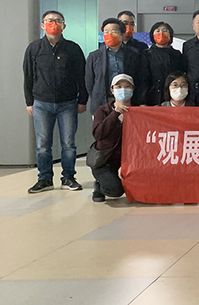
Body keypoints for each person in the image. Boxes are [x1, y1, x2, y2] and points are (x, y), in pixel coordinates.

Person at [23, 10, 87, 193]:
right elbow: (28, 76)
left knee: (69, 144)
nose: (53, 23)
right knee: (42, 145)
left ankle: (68, 177)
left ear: (64, 26)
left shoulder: (73, 49)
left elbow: (82, 77)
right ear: (42, 25)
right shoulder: (34, 49)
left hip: (68, 103)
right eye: (49, 20)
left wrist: (82, 100)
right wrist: (29, 102)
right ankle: (44, 179)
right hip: (41, 103)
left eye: (58, 20)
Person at [90, 74, 132, 203]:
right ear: (112, 90)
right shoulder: (102, 110)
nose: (123, 89)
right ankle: (99, 185)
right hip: (105, 161)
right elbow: (98, 134)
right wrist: (115, 114)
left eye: (127, 86)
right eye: (119, 87)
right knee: (115, 190)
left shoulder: (137, 111)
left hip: (129, 162)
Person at [86, 18, 142, 113]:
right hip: (102, 102)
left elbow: (139, 79)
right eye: (106, 32)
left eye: (114, 31)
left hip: (128, 102)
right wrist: (97, 96)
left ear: (122, 34)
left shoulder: (134, 55)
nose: (109, 34)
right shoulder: (94, 56)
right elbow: (89, 82)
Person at [141, 22, 185, 106]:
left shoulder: (177, 54)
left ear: (170, 34)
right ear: (152, 35)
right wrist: (143, 100)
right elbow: (143, 79)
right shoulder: (147, 54)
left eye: (165, 31)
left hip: (174, 95)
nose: (161, 33)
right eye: (157, 31)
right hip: (153, 96)